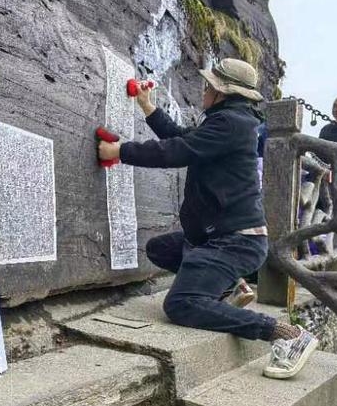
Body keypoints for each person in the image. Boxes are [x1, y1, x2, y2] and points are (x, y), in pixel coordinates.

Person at [98, 58, 318, 379]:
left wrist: (120, 152)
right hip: (217, 238)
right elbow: (180, 137)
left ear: (221, 93)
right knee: (160, 249)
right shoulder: (229, 121)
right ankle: (230, 285)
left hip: (235, 241)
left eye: (208, 86)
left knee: (181, 304)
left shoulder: (231, 124)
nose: (203, 90)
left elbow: (176, 150)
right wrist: (147, 107)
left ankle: (286, 334)